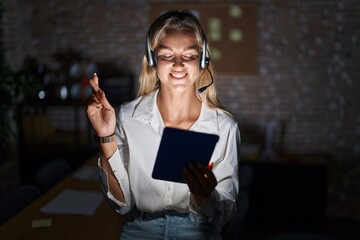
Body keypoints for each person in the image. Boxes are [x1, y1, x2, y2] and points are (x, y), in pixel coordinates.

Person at [86, 10, 240, 240]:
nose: (178, 64)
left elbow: (222, 217)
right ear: (152, 60)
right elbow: (122, 205)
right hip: (140, 230)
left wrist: (205, 196)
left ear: (202, 59)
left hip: (198, 231)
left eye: (188, 55)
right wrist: (105, 137)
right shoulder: (129, 116)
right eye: (167, 55)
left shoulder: (223, 126)